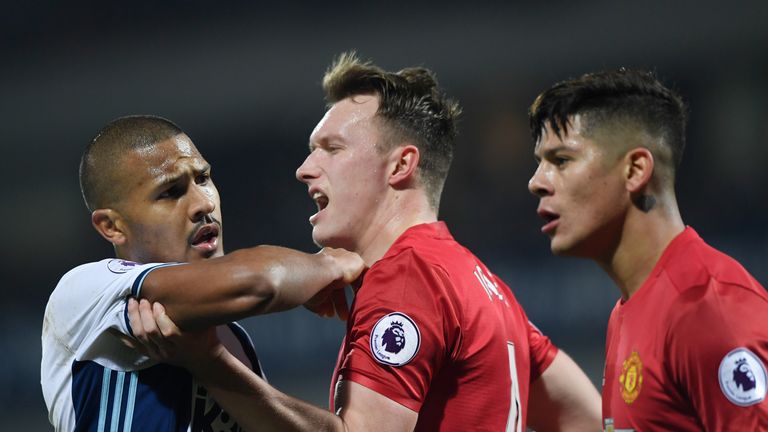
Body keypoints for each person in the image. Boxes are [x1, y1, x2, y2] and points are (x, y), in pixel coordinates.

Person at [129, 53, 601, 431]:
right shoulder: (484, 285)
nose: (305, 169)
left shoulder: (407, 276)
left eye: (331, 149)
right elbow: (582, 417)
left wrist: (211, 366)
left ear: (400, 166)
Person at [41, 115, 364, 431]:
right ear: (112, 226)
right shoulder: (87, 292)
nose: (202, 203)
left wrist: (212, 364)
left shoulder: (228, 339)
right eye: (170, 192)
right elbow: (261, 281)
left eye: (203, 179)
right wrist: (326, 265)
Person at [528, 69, 768, 430]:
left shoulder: (707, 309)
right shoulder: (627, 311)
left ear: (635, 170)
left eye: (561, 160)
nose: (536, 183)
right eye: (540, 163)